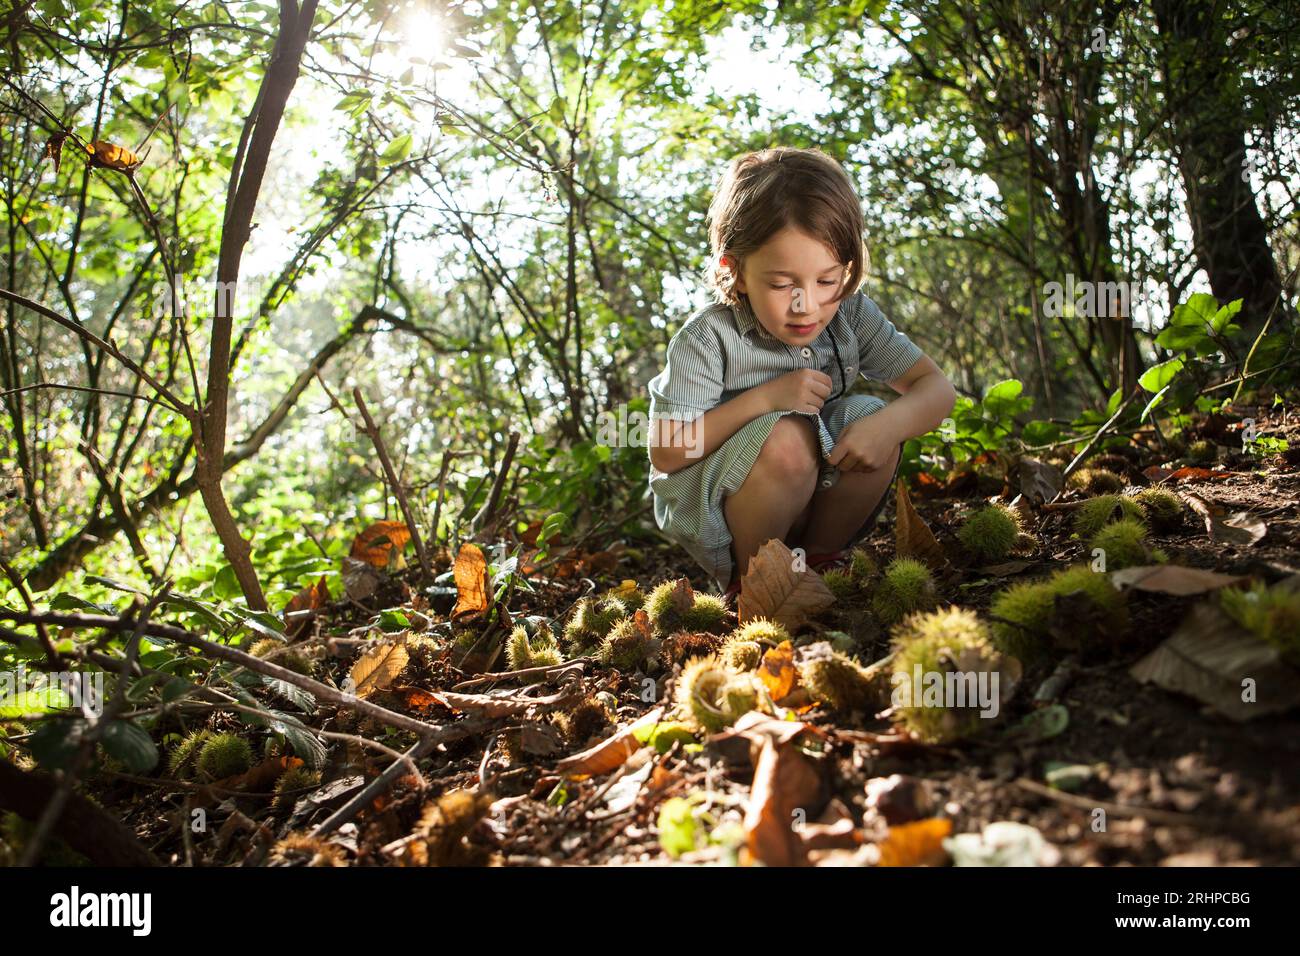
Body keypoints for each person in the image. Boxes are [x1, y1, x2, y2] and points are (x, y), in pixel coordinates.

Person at [647, 147, 957, 595]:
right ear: (733, 271)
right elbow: (667, 451)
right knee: (786, 441)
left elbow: (936, 391)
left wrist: (886, 428)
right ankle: (757, 582)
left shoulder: (851, 314)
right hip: (720, 509)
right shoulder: (707, 337)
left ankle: (818, 562)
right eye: (781, 284)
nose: (806, 305)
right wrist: (766, 399)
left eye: (827, 281)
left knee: (875, 415)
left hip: (814, 491)